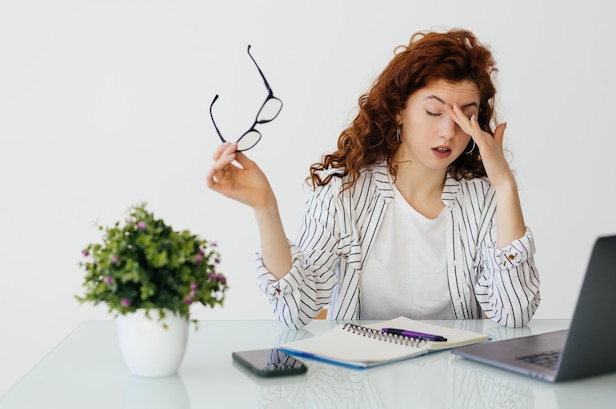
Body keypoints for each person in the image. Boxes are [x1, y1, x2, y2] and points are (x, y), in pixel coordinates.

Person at [207, 28, 541, 329]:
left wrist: (504, 186)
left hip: (454, 389)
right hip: (358, 389)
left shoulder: (483, 200)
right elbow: (294, 310)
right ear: (400, 109)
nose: (448, 131)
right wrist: (265, 207)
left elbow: (514, 315)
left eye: (466, 115)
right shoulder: (345, 195)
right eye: (434, 111)